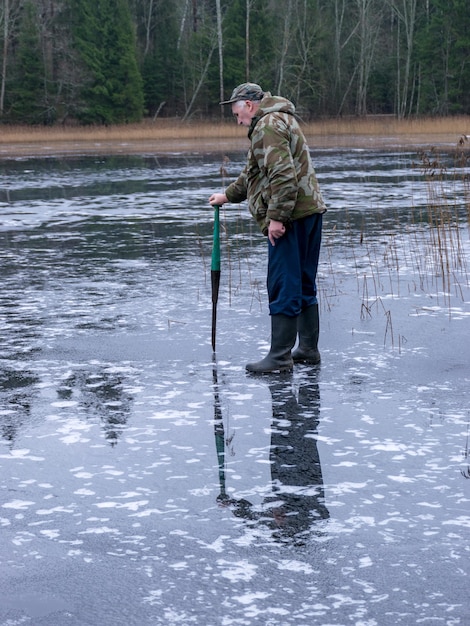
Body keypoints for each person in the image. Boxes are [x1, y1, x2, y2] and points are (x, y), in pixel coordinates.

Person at [209, 82, 326, 373]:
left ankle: (280, 357)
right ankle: (308, 350)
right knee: (303, 281)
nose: (238, 121)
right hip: (310, 211)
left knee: (284, 283)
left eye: (238, 114)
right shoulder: (280, 119)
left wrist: (276, 218)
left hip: (292, 217)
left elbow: (282, 175)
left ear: (249, 105)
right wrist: (227, 196)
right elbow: (253, 173)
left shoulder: (267, 126)